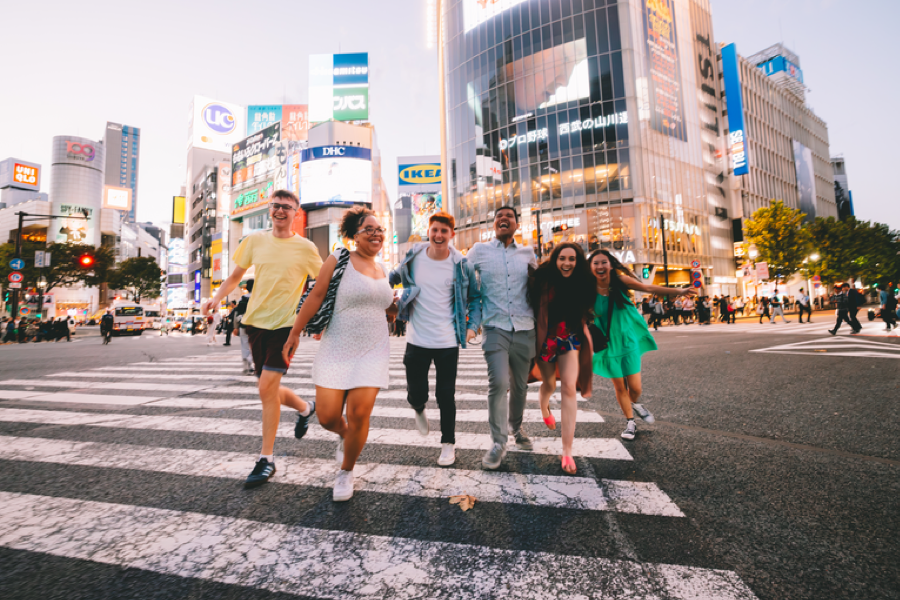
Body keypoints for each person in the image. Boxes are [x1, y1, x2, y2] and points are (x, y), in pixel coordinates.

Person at [203, 190, 322, 490]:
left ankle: (265, 458)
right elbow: (234, 277)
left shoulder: (306, 248)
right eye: (276, 206)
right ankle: (307, 408)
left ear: (296, 213)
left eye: (287, 207)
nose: (280, 211)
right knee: (268, 389)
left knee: (266, 388)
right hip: (254, 324)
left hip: (285, 327)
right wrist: (215, 300)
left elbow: (323, 286)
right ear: (270, 210)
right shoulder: (254, 241)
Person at [283, 206, 397, 501]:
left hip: (374, 348)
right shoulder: (339, 259)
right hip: (337, 346)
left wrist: (395, 307)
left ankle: (346, 471)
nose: (376, 234)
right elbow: (316, 295)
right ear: (354, 235)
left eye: (379, 230)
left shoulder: (383, 268)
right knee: (328, 417)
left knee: (360, 413)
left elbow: (383, 305)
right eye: (369, 229)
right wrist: (295, 332)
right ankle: (346, 436)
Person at [390, 211, 480, 467]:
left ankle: (448, 444)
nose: (439, 235)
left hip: (447, 341)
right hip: (416, 338)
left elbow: (474, 298)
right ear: (428, 231)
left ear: (452, 235)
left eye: (444, 231)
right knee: (416, 392)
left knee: (446, 395)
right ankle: (418, 407)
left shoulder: (462, 265)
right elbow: (391, 278)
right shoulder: (413, 257)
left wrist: (472, 326)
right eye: (435, 230)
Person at [590, 249, 697, 440]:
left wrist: (679, 291)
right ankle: (630, 422)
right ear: (590, 267)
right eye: (595, 263)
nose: (600, 266)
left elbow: (648, 288)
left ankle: (636, 404)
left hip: (627, 339)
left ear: (611, 265)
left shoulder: (620, 281)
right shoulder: (586, 289)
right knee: (620, 387)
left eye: (603, 262)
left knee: (635, 388)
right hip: (606, 343)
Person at [464, 206, 535, 470]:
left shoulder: (528, 254)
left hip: (526, 328)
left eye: (509, 216)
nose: (503, 219)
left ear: (517, 224)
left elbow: (541, 288)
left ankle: (516, 428)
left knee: (520, 386)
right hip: (494, 328)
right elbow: (459, 279)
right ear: (494, 224)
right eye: (498, 216)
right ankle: (498, 442)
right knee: (499, 383)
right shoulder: (478, 251)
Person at [528, 242, 595, 474]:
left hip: (570, 338)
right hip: (546, 338)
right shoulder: (542, 280)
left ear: (578, 262)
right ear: (555, 259)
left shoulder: (584, 282)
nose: (567, 263)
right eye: (562, 258)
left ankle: (567, 451)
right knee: (548, 383)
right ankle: (545, 408)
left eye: (572, 259)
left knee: (568, 387)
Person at [234, 280, 254, 374]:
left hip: (244, 325)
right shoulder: (258, 298)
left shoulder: (242, 299)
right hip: (256, 325)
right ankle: (251, 362)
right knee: (255, 345)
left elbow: (237, 313)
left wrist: (236, 326)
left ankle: (246, 367)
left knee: (244, 345)